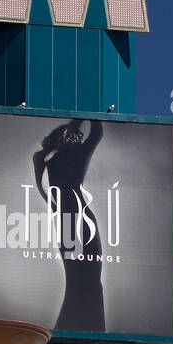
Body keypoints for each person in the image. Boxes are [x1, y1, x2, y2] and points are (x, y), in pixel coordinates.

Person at [32, 118, 105, 331]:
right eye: (69, 135)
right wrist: (74, 123)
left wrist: (81, 117)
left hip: (83, 217)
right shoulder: (44, 158)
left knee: (92, 277)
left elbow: (97, 134)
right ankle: (71, 327)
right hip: (66, 218)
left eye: (74, 136)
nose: (73, 139)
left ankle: (96, 329)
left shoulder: (80, 153)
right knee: (75, 278)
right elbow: (42, 187)